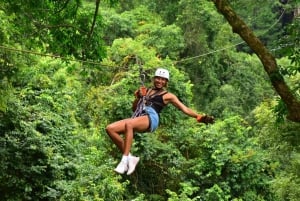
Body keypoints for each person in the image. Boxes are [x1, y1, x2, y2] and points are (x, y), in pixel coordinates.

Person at [105, 68, 214, 175]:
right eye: (158, 78)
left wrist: (198, 116)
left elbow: (184, 108)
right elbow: (134, 108)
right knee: (110, 129)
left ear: (166, 82)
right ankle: (131, 158)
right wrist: (138, 97)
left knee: (129, 124)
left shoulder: (168, 96)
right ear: (154, 79)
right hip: (139, 115)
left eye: (163, 80)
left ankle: (124, 160)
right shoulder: (146, 91)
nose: (160, 81)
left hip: (151, 117)